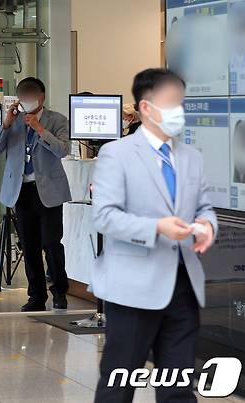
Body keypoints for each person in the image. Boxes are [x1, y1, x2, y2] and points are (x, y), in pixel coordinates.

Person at [91, 68, 217, 402]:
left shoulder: (191, 157)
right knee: (119, 384)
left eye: (182, 103)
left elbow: (205, 206)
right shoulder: (116, 154)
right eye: (172, 103)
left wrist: (207, 226)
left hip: (184, 286)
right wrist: (156, 227)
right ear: (146, 108)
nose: (180, 112)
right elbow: (105, 216)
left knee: (178, 387)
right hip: (133, 288)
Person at [0, 77, 72, 311]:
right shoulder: (13, 120)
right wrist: (6, 124)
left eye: (31, 95)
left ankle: (59, 291)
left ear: (41, 96)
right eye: (22, 95)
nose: (26, 100)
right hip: (21, 191)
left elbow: (62, 150)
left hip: (49, 191)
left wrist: (40, 129)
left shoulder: (57, 120)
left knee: (51, 243)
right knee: (29, 245)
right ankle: (36, 296)